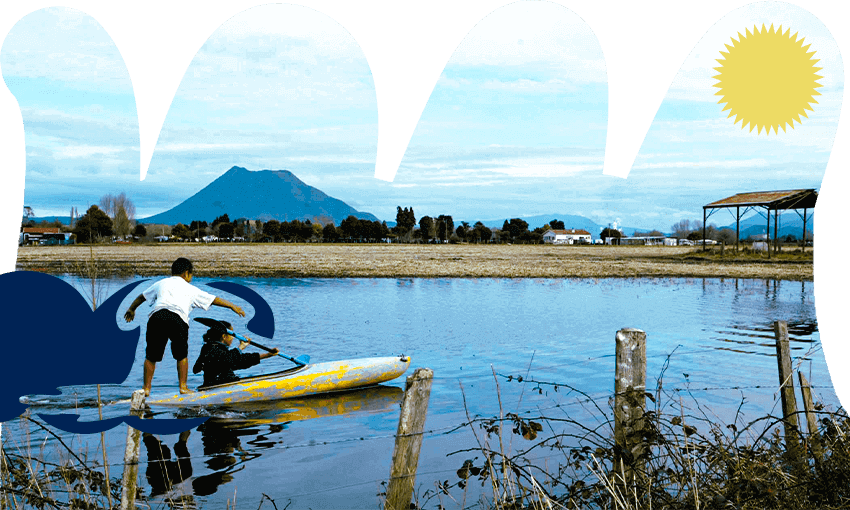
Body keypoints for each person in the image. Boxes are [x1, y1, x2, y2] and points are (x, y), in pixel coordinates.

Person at [123, 257, 246, 396]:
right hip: (177, 318)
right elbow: (213, 299)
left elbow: (141, 297)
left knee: (151, 356)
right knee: (181, 355)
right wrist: (232, 306)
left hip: (157, 317)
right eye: (191, 275)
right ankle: (183, 387)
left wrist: (131, 309)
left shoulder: (161, 283)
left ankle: (146, 389)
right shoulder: (190, 289)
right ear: (186, 273)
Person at [192, 320, 279, 387]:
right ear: (224, 336)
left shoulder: (213, 348)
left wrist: (268, 355)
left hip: (222, 384)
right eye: (232, 335)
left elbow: (240, 360)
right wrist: (240, 347)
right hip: (218, 385)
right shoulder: (211, 349)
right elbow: (228, 359)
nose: (233, 338)